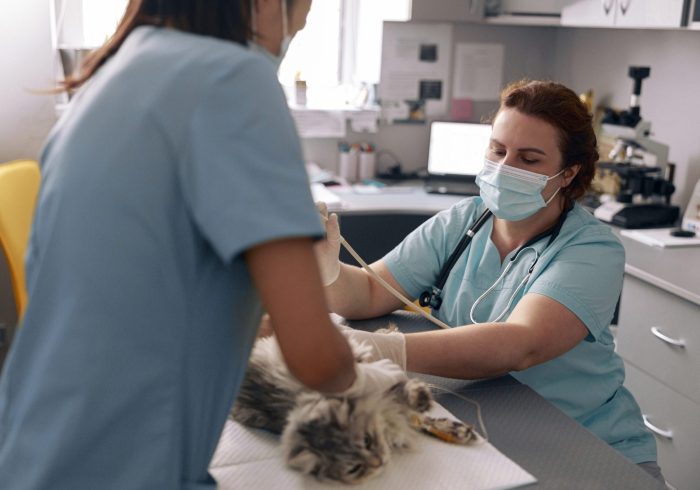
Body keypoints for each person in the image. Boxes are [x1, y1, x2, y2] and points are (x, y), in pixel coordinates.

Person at [0, 1, 405, 488]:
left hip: (32, 444)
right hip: (126, 466)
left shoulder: (107, 77)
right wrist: (370, 381)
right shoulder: (235, 80)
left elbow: (155, 291)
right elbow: (315, 360)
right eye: (296, 25)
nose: (287, 41)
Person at [316, 80, 666, 487]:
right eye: (498, 150)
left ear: (568, 173)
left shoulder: (593, 250)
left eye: (529, 159)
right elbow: (375, 290)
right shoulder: (464, 221)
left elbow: (520, 343)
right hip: (486, 420)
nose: (504, 168)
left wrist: (378, 348)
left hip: (586, 440)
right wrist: (327, 272)